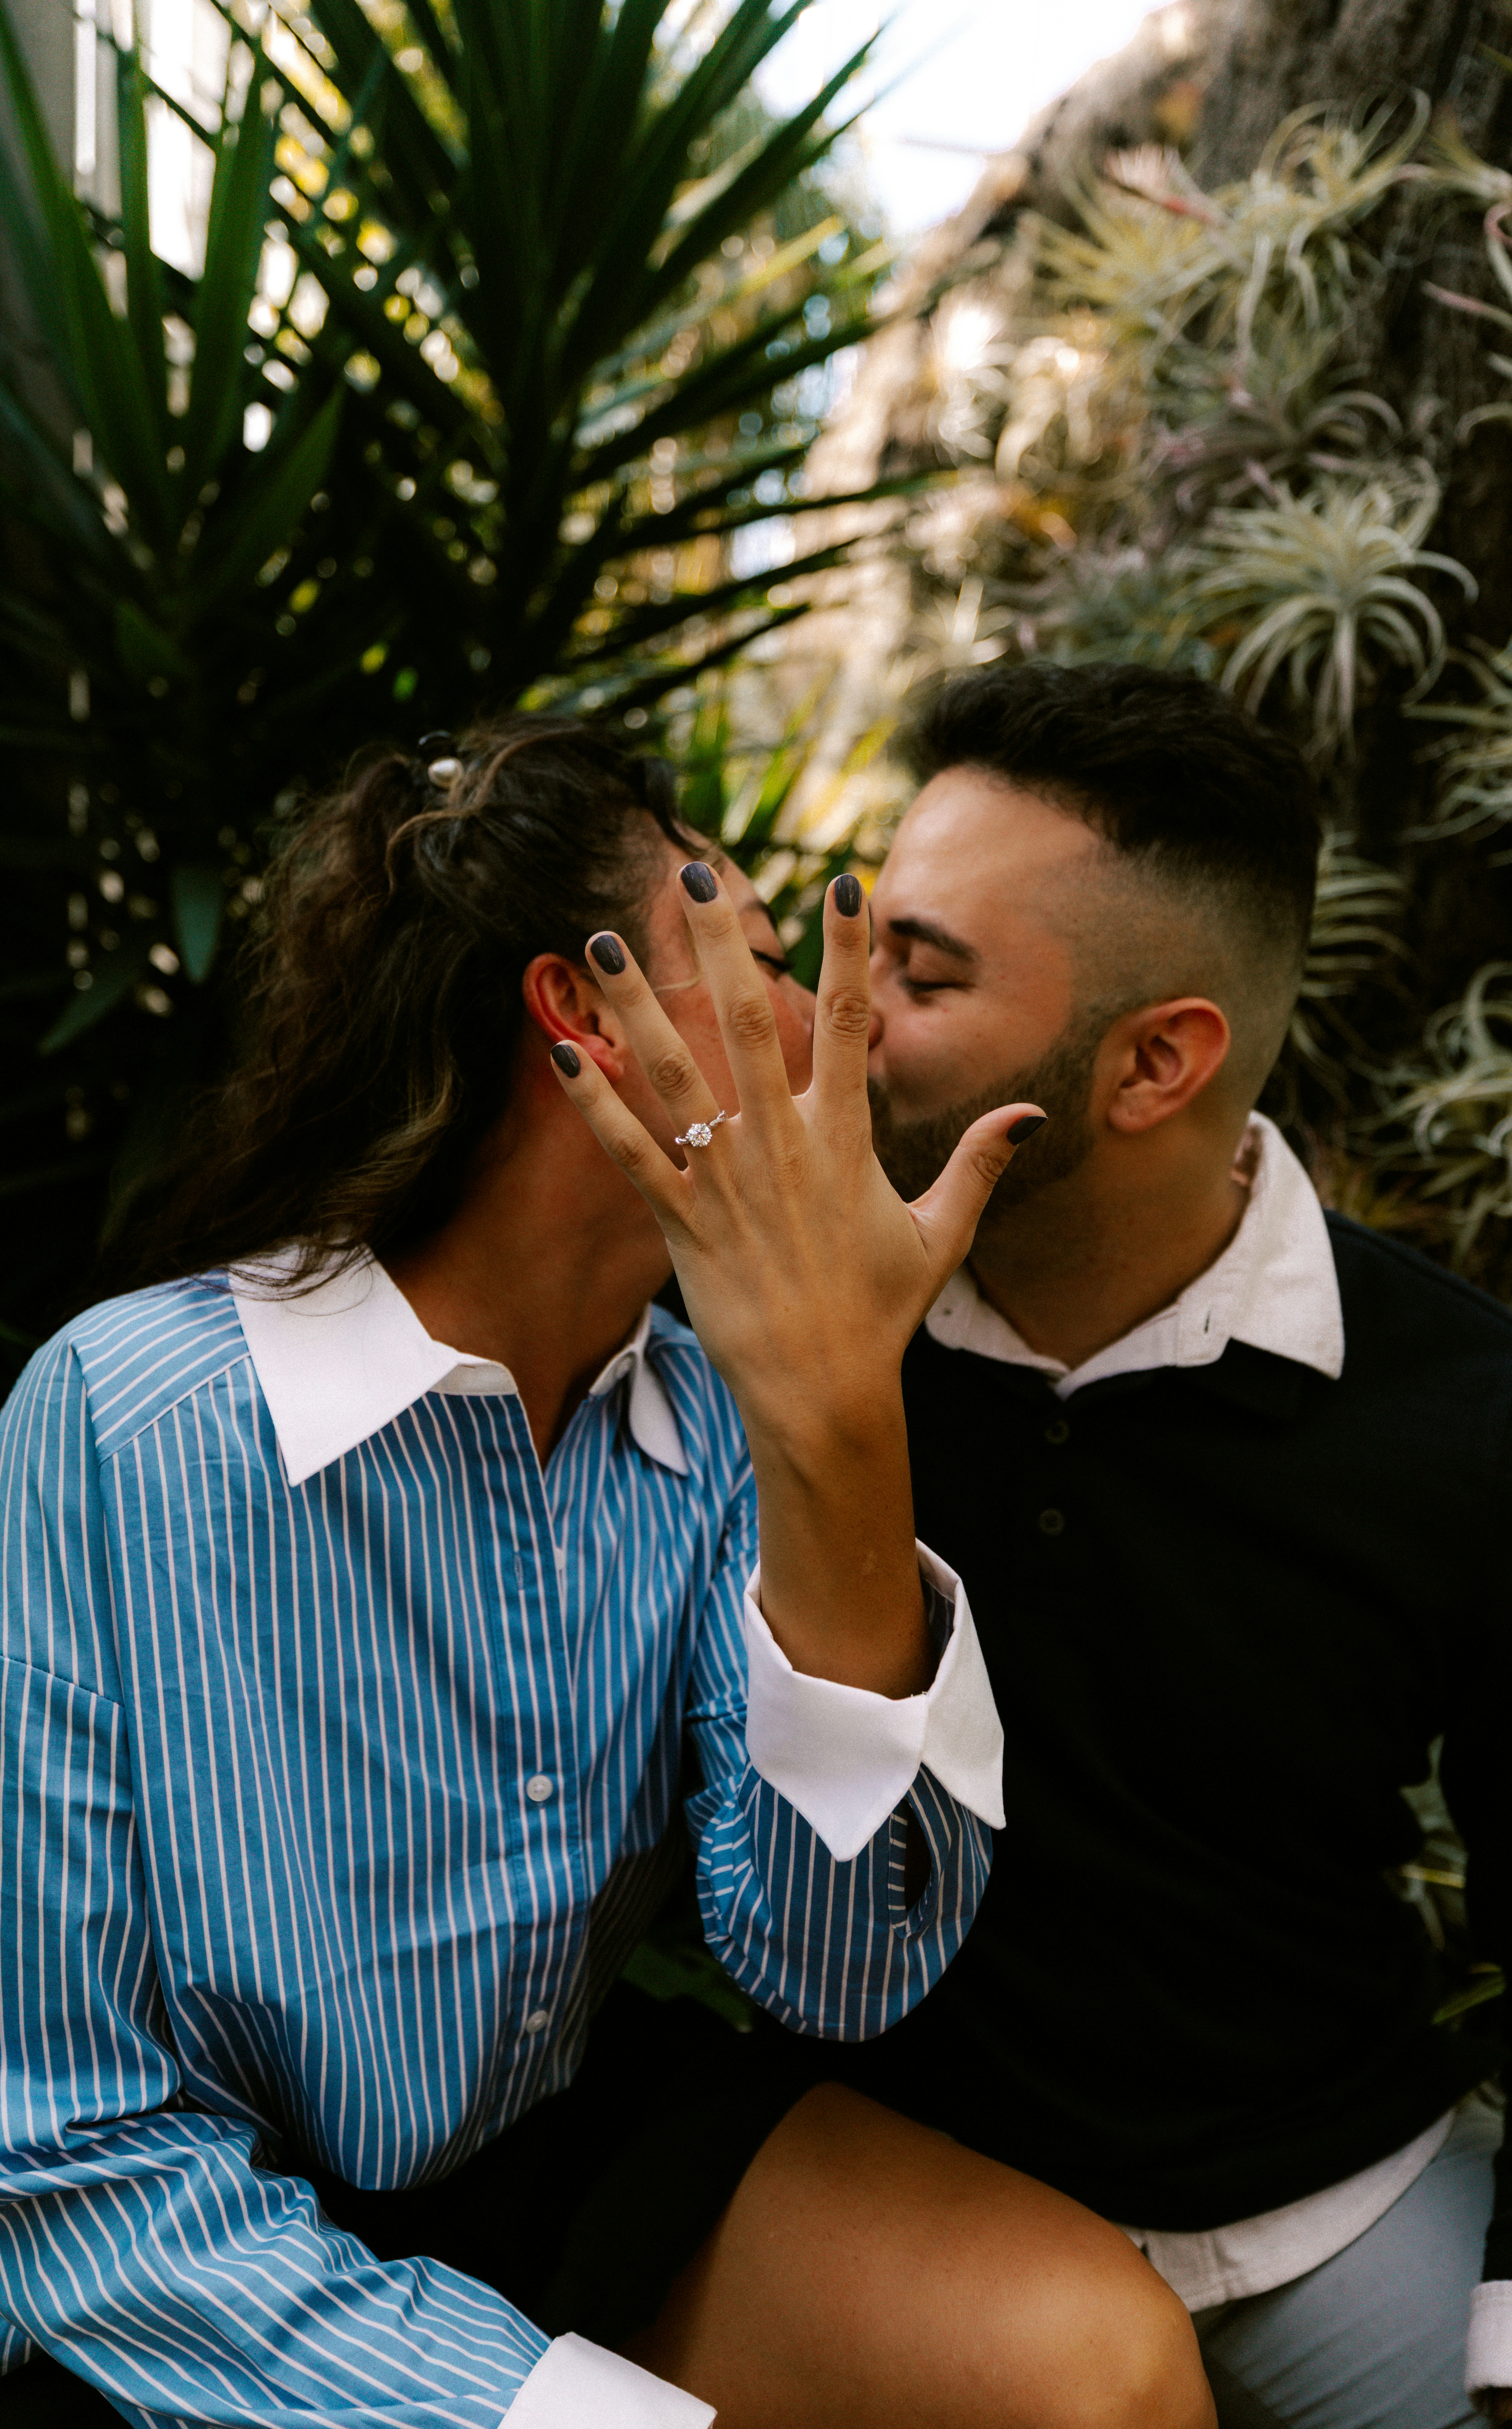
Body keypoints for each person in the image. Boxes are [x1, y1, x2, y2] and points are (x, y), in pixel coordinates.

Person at [0, 716, 1214, 2429]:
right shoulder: (125, 1424)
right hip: (177, 2229)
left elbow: (833, 1968)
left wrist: (835, 1423)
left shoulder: (722, 1407)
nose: (831, 1033)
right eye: (776, 960)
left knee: (1101, 2373)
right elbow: (57, 2147)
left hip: (547, 2136)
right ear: (584, 1008)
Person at [831, 660, 1512, 2429]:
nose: (837, 1008)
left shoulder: (1488, 1431)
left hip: (1336, 2215)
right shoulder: (782, 1332)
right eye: (864, 938)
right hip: (900, 2220)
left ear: (1153, 1062)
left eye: (920, 971)